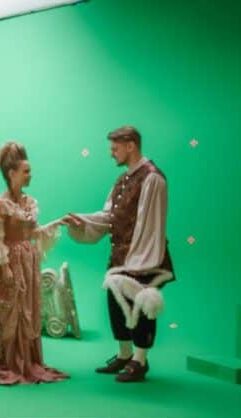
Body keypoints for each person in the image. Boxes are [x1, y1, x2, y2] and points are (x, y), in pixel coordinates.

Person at [62, 126, 174, 382]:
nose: (111, 154)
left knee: (142, 306)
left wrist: (139, 263)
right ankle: (125, 354)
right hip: (121, 258)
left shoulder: (152, 178)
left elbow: (150, 223)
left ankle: (140, 361)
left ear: (130, 146)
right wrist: (82, 221)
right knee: (116, 304)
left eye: (115, 149)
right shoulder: (123, 180)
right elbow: (109, 217)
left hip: (144, 256)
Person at [0, 141, 68, 385]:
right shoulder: (0, 204)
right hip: (9, 262)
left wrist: (57, 223)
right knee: (10, 311)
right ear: (12, 173)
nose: (30, 175)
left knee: (27, 309)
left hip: (28, 261)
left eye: (30, 170)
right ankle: (9, 361)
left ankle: (27, 360)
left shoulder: (29, 202)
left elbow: (34, 231)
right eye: (26, 171)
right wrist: (5, 267)